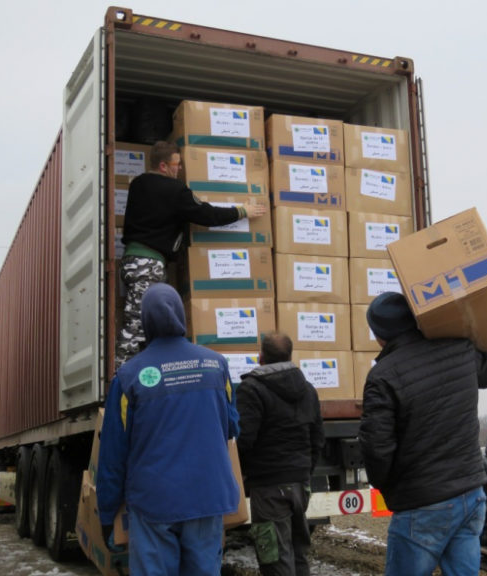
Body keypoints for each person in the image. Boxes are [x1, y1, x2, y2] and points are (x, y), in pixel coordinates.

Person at [97, 282, 240, 576]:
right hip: (207, 498)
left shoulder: (128, 377)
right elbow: (232, 426)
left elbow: (113, 454)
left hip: (154, 503)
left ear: (146, 321)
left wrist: (107, 513)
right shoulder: (217, 365)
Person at [358, 292, 487, 576]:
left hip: (421, 504)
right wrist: (471, 325)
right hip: (471, 493)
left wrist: (391, 488)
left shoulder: (382, 377)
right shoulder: (459, 348)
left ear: (379, 336)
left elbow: (377, 450)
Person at [116, 140, 268, 367]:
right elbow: (206, 214)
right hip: (147, 265)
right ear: (164, 167)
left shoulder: (138, 184)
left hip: (131, 261)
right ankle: (120, 382)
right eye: (176, 164)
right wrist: (241, 211)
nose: (179, 169)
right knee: (137, 328)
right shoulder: (174, 190)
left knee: (143, 324)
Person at [236, 331, 325, 576]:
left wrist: (243, 477)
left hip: (269, 487)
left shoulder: (251, 389)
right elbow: (317, 438)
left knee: (275, 560)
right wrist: (305, 472)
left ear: (260, 357)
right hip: (300, 483)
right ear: (290, 355)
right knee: (298, 554)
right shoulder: (307, 389)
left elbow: (244, 440)